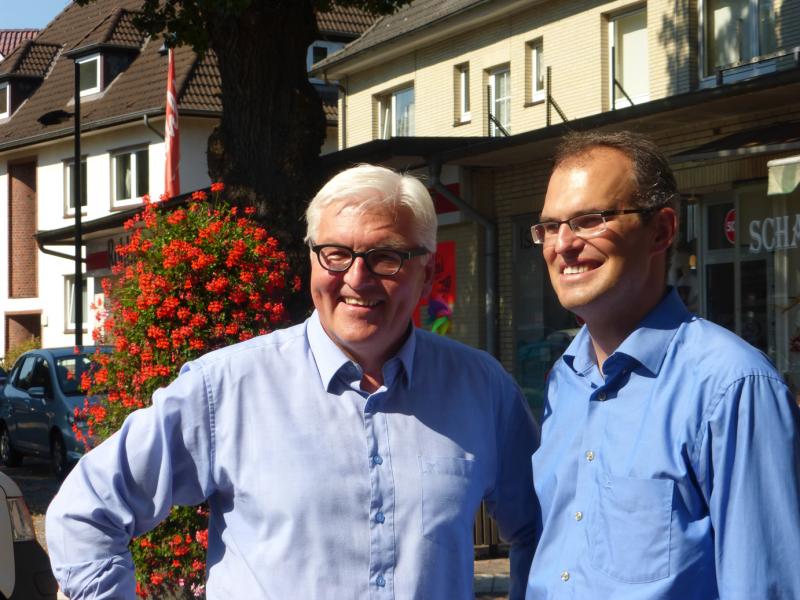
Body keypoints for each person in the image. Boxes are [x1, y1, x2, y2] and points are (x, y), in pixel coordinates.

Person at [46, 164, 540, 599]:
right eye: (336, 254)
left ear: (428, 271)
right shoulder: (226, 389)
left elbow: (542, 529)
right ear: (311, 260)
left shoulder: (483, 390)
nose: (357, 278)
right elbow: (85, 512)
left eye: (386, 257)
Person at [526, 130, 800, 599]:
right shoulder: (565, 383)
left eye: (590, 220)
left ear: (662, 231)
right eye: (551, 227)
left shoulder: (731, 387)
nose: (563, 245)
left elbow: (767, 585)